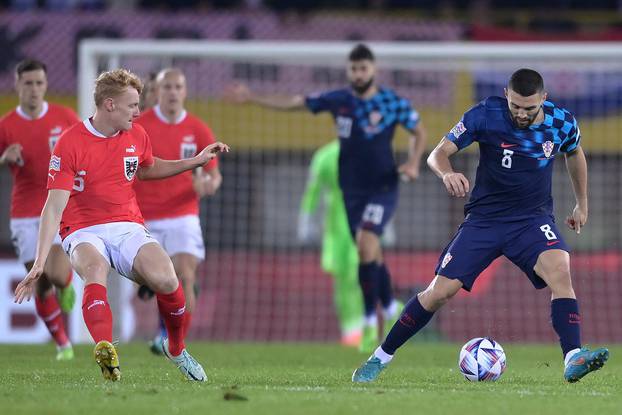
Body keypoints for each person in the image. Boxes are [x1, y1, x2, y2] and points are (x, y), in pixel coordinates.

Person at [352, 68, 609, 383]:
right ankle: (379, 358)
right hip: (485, 221)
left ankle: (573, 357)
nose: (521, 113)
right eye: (515, 106)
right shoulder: (485, 115)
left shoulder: (562, 122)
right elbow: (438, 154)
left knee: (560, 270)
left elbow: (575, 153)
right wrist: (447, 173)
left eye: (529, 108)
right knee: (439, 293)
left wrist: (582, 203)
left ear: (544, 98)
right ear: (506, 95)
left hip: (532, 220)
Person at [13, 68, 229, 382]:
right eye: (132, 106)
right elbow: (54, 205)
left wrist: (195, 161)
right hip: (82, 229)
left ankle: (177, 348)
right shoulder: (70, 143)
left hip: (127, 224)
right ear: (110, 105)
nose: (138, 112)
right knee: (95, 269)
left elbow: (148, 168)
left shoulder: (136, 135)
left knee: (168, 279)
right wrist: (40, 261)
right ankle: (105, 349)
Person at [227, 43, 427, 352]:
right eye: (353, 69)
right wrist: (253, 98)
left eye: (363, 68)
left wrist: (414, 163)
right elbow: (296, 102)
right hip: (352, 191)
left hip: (383, 187)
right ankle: (388, 308)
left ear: (373, 70)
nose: (358, 74)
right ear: (349, 71)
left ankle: (368, 321)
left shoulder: (391, 102)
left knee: (365, 246)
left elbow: (420, 131)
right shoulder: (340, 100)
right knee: (369, 254)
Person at [133, 68, 222, 354]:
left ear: (185, 92)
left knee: (185, 275)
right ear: (157, 92)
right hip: (143, 217)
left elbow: (213, 175)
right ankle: (150, 284)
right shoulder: (139, 126)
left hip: (183, 215)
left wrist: (209, 184)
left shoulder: (197, 129)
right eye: (166, 87)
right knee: (161, 279)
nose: (172, 92)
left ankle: (171, 341)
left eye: (178, 87)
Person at [0, 59, 78, 361]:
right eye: (28, 83)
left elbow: (86, 149)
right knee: (38, 280)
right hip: (24, 214)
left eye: (39, 83)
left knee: (56, 274)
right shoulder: (6, 126)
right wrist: (3, 157)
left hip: (59, 208)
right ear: (17, 85)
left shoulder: (64, 117)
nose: (34, 89)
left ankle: (67, 283)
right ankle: (63, 343)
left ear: (46, 85)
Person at [298, 140, 363, 347]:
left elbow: (383, 188)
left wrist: (387, 224)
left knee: (358, 272)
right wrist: (306, 221)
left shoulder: (369, 152)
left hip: (363, 222)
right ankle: (351, 329)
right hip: (335, 227)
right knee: (342, 277)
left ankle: (365, 325)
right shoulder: (325, 156)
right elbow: (313, 191)